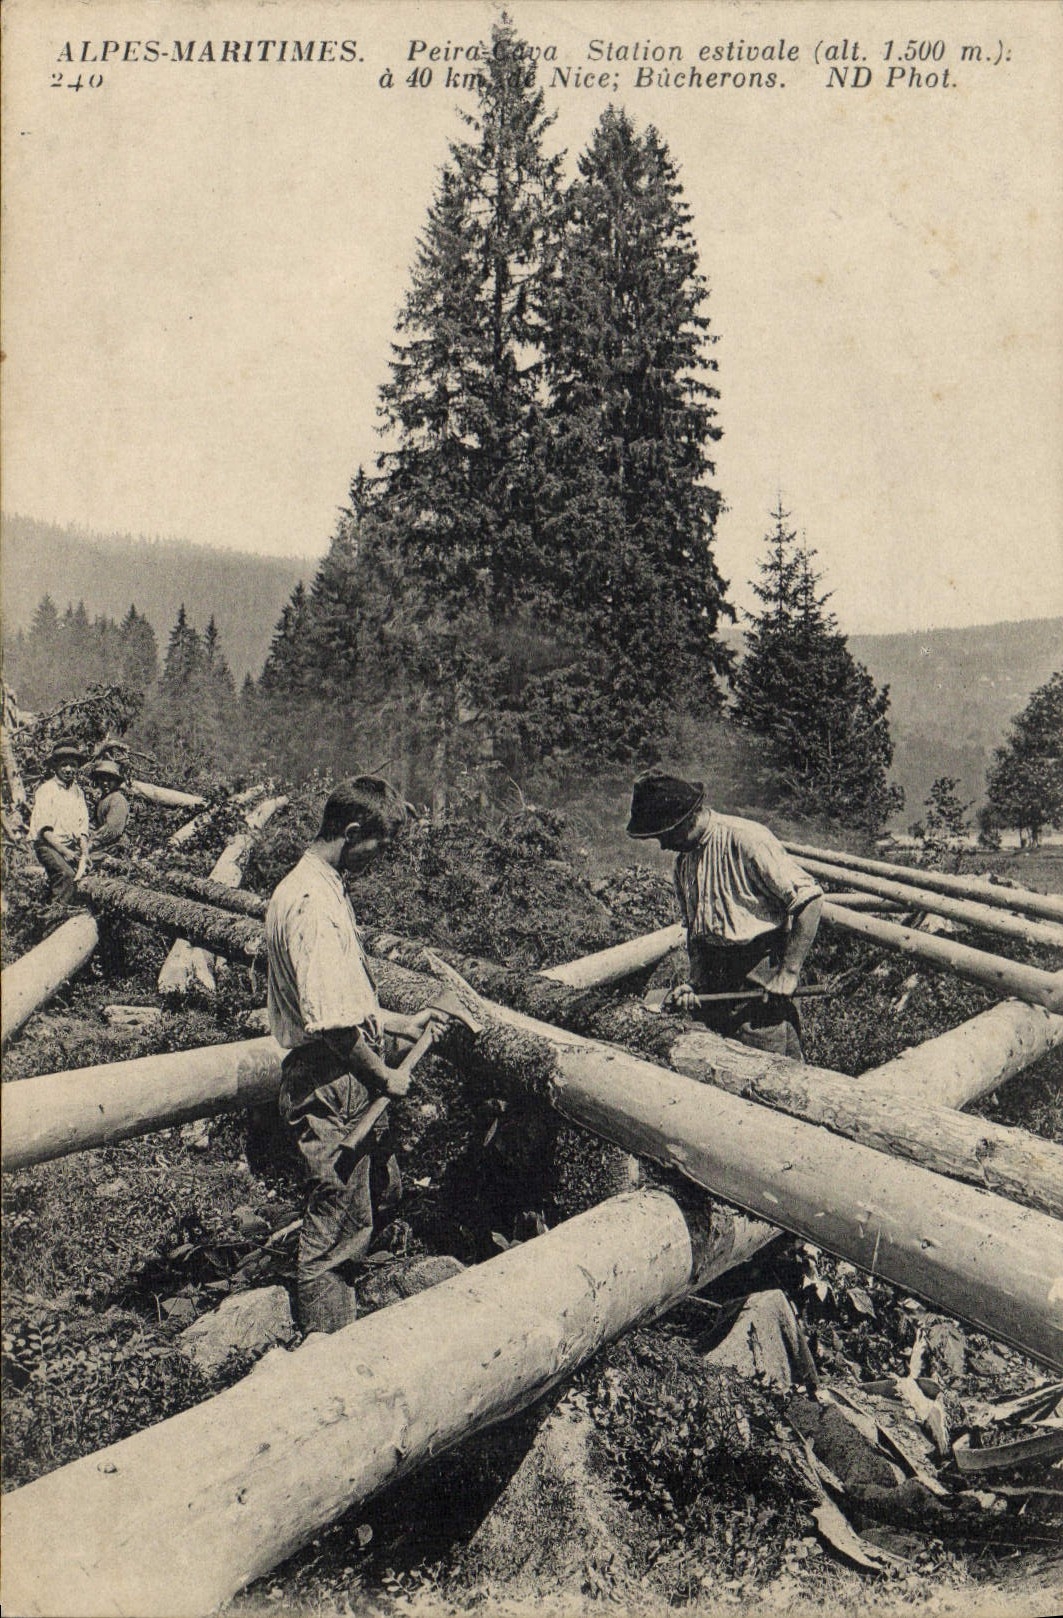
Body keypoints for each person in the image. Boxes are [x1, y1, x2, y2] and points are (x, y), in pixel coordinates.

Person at [265, 777, 450, 1334]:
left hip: (339, 1071)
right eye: (380, 845)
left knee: (364, 1204)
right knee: (332, 1230)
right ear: (351, 833)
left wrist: (399, 1023)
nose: (382, 859)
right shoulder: (313, 906)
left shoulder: (324, 886)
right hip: (329, 1077)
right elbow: (332, 1026)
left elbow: (343, 1000)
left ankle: (348, 1314)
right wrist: (386, 1076)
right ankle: (327, 1355)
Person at [626, 768, 823, 1059]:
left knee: (768, 1074)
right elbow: (696, 931)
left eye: (665, 835)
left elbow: (811, 900)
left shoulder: (747, 839)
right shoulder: (683, 863)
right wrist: (695, 982)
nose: (664, 845)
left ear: (685, 818)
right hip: (716, 984)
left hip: (758, 984)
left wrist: (789, 972)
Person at [28, 739, 90, 905]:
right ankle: (55, 916)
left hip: (69, 846)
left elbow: (82, 827)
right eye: (64, 765)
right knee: (66, 875)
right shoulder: (47, 790)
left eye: (73, 765)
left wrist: (84, 853)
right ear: (55, 767)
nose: (69, 770)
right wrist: (65, 852)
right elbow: (45, 831)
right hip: (48, 845)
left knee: (89, 872)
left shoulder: (78, 792)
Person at [88, 759, 130, 853]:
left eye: (110, 780)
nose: (105, 783)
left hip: (113, 846)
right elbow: (95, 823)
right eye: (102, 779)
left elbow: (112, 830)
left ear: (116, 781)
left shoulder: (117, 799)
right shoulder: (103, 798)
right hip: (101, 842)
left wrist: (92, 843)